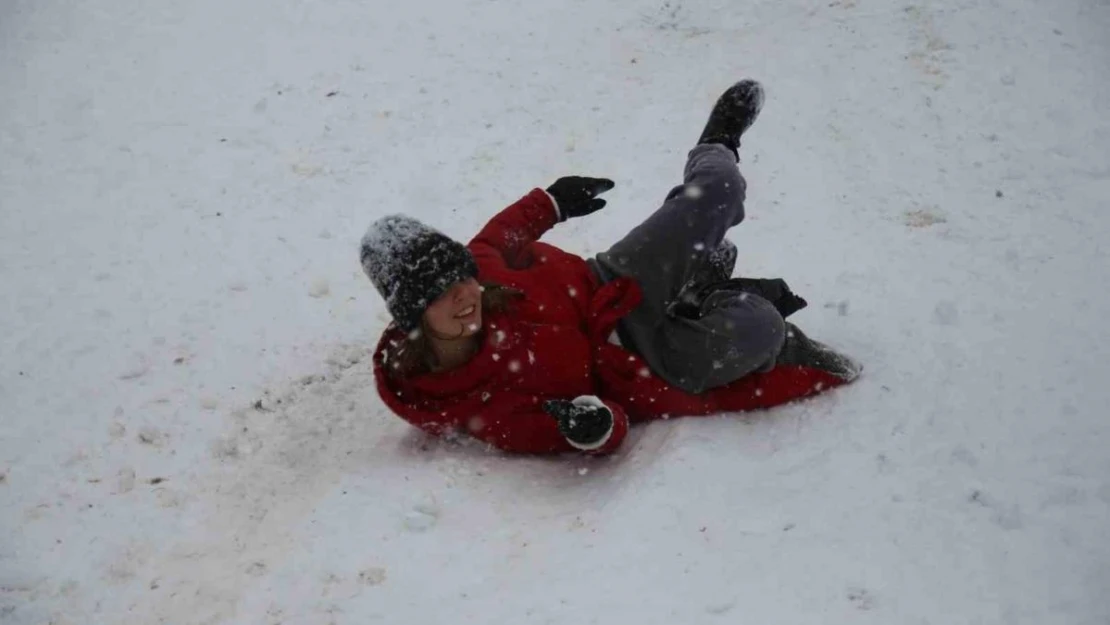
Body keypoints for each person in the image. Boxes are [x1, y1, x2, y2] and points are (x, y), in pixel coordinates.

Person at [360, 79, 860, 455]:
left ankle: (717, 145)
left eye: (460, 276)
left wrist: (553, 202)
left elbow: (504, 231)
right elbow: (591, 430)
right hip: (636, 360)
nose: (464, 294)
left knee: (719, 191)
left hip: (613, 281)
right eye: (440, 296)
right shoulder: (471, 403)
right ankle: (700, 297)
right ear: (414, 318)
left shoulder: (483, 267)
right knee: (760, 328)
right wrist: (591, 428)